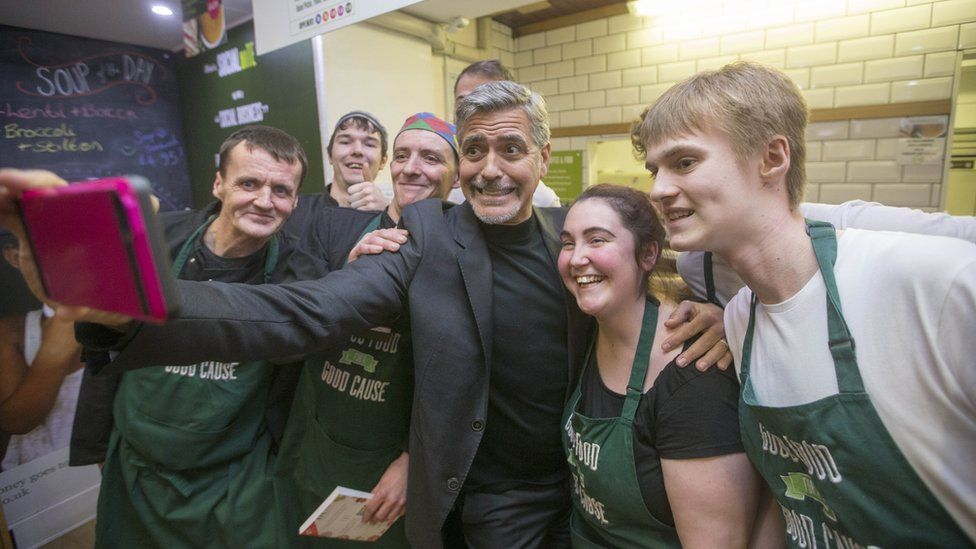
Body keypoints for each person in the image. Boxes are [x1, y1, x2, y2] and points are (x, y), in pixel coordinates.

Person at [0, 82, 727, 548]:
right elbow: (302, 312)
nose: (489, 168)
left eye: (510, 148)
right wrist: (131, 307)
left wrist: (721, 315)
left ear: (542, 158)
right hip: (478, 497)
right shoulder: (427, 237)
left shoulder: (572, 239)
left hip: (582, 489)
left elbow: (653, 274)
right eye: (474, 149)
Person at [639, 61, 976, 545]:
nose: (658, 190)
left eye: (685, 162)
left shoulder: (933, 282)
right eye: (655, 170)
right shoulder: (741, 317)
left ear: (772, 158)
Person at [85, 125, 310, 547]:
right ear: (219, 184)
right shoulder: (156, 241)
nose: (265, 201)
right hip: (137, 468)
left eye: (281, 190)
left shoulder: (300, 272)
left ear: (295, 201)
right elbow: (103, 348)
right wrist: (97, 445)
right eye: (249, 183)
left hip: (235, 480)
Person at [274, 112, 459, 548]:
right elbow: (295, 318)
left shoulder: (460, 252)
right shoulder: (341, 229)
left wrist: (413, 459)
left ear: (456, 176)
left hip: (390, 458)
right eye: (403, 155)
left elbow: (458, 374)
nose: (412, 168)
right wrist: (348, 277)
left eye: (431, 158)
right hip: (315, 439)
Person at [557, 184, 775, 547]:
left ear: (647, 254)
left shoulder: (694, 378)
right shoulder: (584, 333)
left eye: (597, 240)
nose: (577, 258)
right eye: (568, 243)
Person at [0, 230, 84, 470]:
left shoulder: (122, 319)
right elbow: (17, 421)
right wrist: (54, 351)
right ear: (15, 257)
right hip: (46, 484)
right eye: (46, 250)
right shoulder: (12, 334)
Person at [448, 59, 563, 207]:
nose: (490, 172)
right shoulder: (444, 192)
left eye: (511, 150)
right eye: (473, 151)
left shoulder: (544, 202)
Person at [286, 111, 389, 234]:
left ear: (383, 161)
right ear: (330, 155)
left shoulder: (394, 218)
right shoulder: (294, 210)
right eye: (345, 142)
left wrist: (387, 216)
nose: (357, 150)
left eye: (369, 144)